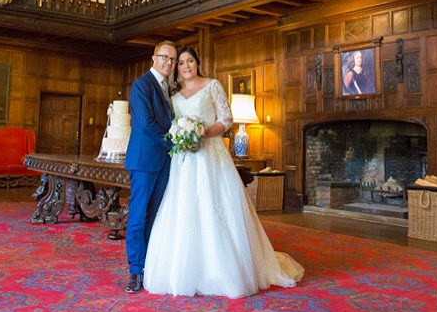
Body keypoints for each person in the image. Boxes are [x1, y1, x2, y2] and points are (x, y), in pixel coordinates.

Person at [144, 46, 304, 298]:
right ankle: (187, 269)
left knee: (214, 206)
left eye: (190, 61)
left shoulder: (212, 85)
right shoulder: (173, 94)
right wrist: (183, 135)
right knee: (185, 209)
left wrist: (203, 132)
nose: (185, 66)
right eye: (181, 62)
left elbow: (226, 119)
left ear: (197, 63)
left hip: (211, 156)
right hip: (185, 161)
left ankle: (224, 270)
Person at [123, 40, 177, 294]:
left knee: (155, 216)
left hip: (165, 162)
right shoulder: (141, 85)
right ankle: (135, 270)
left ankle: (150, 265)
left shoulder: (170, 88)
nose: (168, 62)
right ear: (153, 58)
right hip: (145, 160)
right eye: (164, 57)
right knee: (137, 216)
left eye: (172, 60)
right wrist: (174, 142)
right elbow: (145, 123)